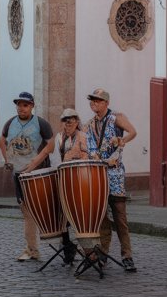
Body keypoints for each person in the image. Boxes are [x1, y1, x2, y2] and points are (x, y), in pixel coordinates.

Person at [86, 87, 138, 272]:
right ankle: (102, 253)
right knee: (101, 217)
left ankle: (127, 255)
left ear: (106, 103)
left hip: (114, 174)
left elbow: (132, 132)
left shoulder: (116, 117)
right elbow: (90, 148)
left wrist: (121, 140)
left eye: (98, 100)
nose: (94, 103)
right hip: (98, 175)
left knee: (120, 217)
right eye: (92, 100)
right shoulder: (90, 124)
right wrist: (93, 157)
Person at [0, 91, 55, 262]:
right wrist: (8, 160)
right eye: (19, 105)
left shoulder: (41, 124)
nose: (21, 108)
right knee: (26, 211)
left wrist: (36, 161)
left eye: (25, 105)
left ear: (32, 106)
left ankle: (66, 248)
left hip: (38, 174)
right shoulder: (10, 123)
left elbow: (51, 145)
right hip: (19, 175)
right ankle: (32, 250)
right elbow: (1, 140)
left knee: (49, 209)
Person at [54, 107, 88, 265]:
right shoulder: (59, 138)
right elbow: (55, 161)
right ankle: (68, 246)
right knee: (62, 218)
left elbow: (86, 158)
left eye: (71, 120)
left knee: (79, 217)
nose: (68, 123)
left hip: (79, 181)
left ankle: (88, 251)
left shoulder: (82, 136)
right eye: (65, 120)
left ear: (77, 121)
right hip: (64, 180)